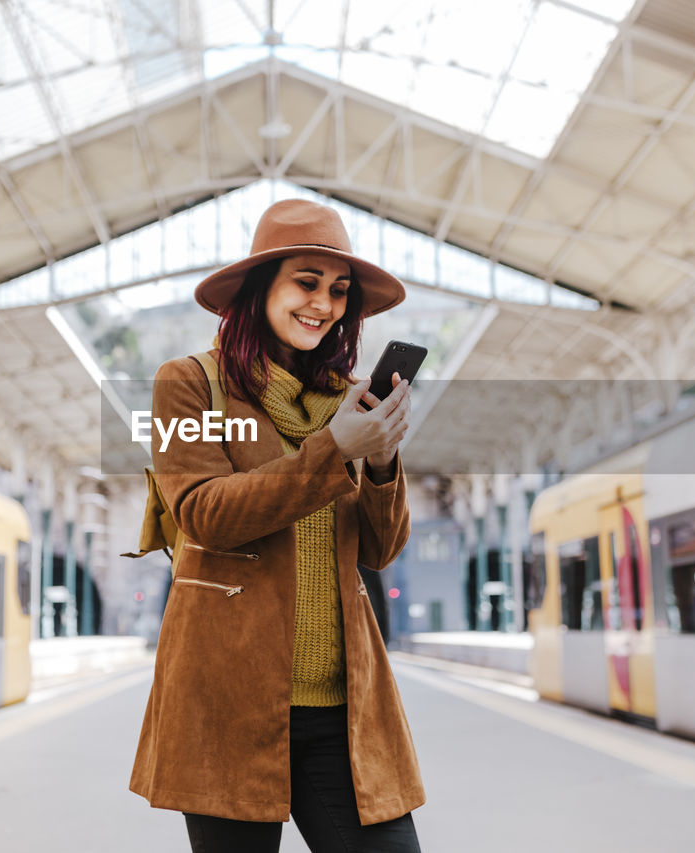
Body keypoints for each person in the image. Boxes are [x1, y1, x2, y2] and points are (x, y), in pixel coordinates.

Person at [129, 198, 425, 852]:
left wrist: (378, 461)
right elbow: (206, 513)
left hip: (343, 709)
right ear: (262, 288)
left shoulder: (349, 402)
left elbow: (380, 549)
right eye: (307, 281)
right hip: (227, 703)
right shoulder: (186, 385)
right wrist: (334, 449)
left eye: (340, 290)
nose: (324, 302)